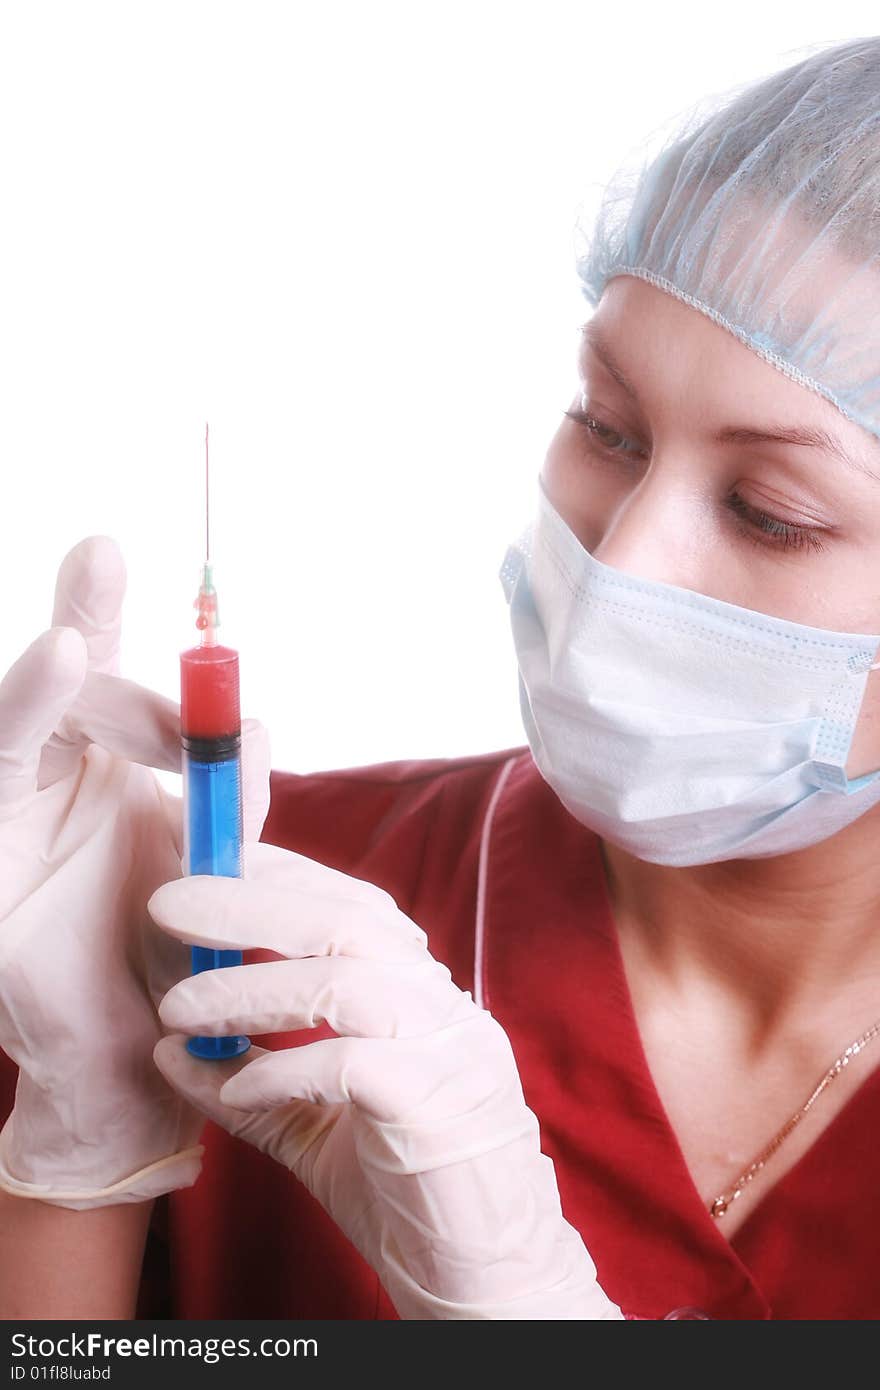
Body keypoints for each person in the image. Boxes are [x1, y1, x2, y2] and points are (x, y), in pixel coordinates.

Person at [2, 33, 880, 1321]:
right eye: (606, 426)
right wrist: (78, 1151)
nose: (618, 560)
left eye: (772, 512)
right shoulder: (225, 912)